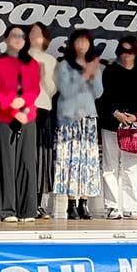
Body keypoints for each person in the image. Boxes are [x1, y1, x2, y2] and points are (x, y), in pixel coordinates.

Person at [0, 24, 41, 223]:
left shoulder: (32, 63)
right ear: (6, 39)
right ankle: (5, 210)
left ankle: (27, 210)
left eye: (21, 35)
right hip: (4, 116)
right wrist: (12, 108)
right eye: (14, 35)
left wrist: (24, 106)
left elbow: (34, 90)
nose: (18, 38)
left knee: (27, 163)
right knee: (4, 163)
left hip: (27, 117)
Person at [98, 36, 137, 220]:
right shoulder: (110, 71)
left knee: (131, 166)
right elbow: (103, 97)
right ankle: (112, 206)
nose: (126, 55)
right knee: (110, 166)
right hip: (111, 123)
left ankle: (130, 207)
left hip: (134, 126)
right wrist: (116, 113)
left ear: (136, 53)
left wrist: (136, 116)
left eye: (130, 51)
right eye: (122, 51)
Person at [54, 28, 104, 219]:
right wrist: (84, 75)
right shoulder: (64, 65)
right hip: (69, 119)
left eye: (85, 41)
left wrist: (93, 74)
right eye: (78, 41)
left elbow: (98, 93)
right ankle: (70, 203)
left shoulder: (94, 66)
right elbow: (66, 90)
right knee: (70, 160)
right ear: (72, 44)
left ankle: (84, 202)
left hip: (88, 118)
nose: (82, 45)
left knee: (87, 160)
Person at [28, 23, 58, 219]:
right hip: (25, 109)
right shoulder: (22, 57)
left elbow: (52, 90)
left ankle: (38, 202)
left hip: (44, 109)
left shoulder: (50, 60)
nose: (35, 37)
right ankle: (23, 199)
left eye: (39, 34)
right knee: (26, 155)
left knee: (41, 157)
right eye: (32, 33)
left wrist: (43, 76)